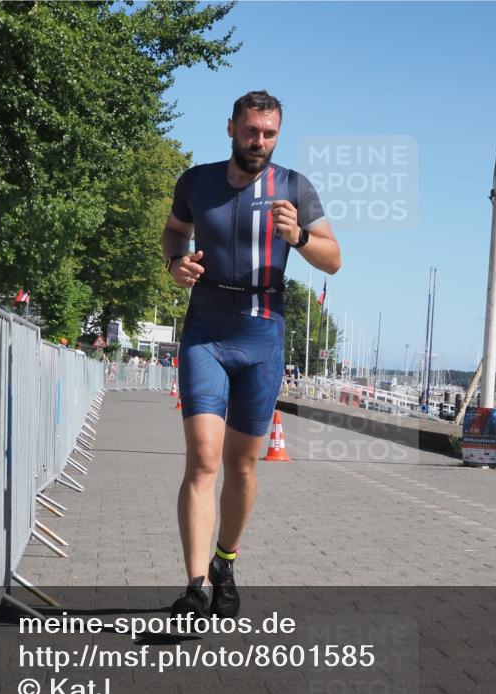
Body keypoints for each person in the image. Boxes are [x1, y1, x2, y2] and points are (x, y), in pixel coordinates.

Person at [161, 91, 341, 619]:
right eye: (250, 131)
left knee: (241, 466)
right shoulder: (197, 182)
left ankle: (225, 562)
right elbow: (175, 231)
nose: (258, 141)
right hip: (206, 331)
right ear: (231, 128)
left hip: (262, 335)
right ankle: (195, 587)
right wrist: (174, 263)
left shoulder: (293, 187)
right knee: (203, 458)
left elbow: (333, 259)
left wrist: (299, 235)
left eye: (269, 133)